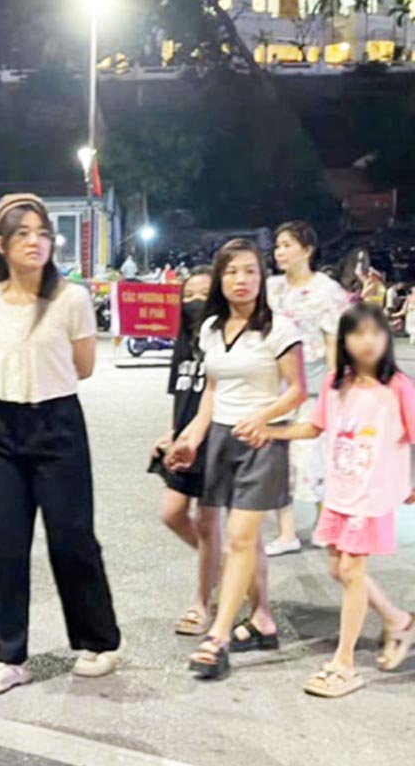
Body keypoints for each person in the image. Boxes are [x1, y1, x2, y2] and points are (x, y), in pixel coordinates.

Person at [0, 194, 121, 695]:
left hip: (58, 424)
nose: (36, 242)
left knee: (72, 538)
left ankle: (98, 641)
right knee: (7, 545)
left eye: (42, 233)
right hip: (5, 430)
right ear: (1, 245)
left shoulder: (71, 298)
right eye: (23, 234)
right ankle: (10, 657)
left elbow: (84, 365)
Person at [167, 238, 306, 680]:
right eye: (231, 272)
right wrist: (190, 437)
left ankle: (219, 637)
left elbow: (297, 390)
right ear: (219, 279)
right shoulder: (210, 329)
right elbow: (211, 392)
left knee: (242, 539)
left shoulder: (279, 329)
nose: (240, 280)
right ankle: (262, 619)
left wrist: (263, 419)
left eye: (249, 271)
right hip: (221, 441)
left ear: (261, 278)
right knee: (237, 538)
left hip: (262, 443)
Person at [260, 303, 415, 696]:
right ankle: (399, 621)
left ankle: (344, 664)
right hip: (341, 493)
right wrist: (270, 431)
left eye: (376, 333)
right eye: (358, 333)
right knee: (339, 569)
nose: (368, 341)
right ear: (344, 339)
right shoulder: (336, 383)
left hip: (372, 497)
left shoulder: (397, 387)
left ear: (387, 338)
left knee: (351, 572)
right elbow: (314, 427)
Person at [265, 221, 349, 556]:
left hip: (311, 385)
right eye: (277, 245)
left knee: (314, 457)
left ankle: (323, 526)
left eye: (287, 244)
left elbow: (333, 341)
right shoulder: (270, 288)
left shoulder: (327, 291)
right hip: (272, 385)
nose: (280, 251)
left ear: (307, 250)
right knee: (275, 460)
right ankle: (286, 533)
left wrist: (335, 386)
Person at [152, 268, 221, 635]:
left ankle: (202, 602)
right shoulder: (184, 339)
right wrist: (171, 432)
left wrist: (192, 435)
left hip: (213, 440)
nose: (195, 301)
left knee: (209, 523)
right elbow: (181, 393)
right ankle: (226, 569)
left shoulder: (224, 339)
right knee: (171, 513)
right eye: (188, 294)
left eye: (203, 293)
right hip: (183, 441)